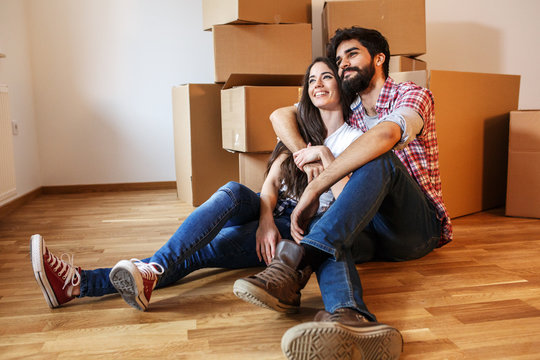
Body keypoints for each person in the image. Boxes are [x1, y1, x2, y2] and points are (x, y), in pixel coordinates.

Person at [30, 57, 364, 314]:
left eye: (326, 77)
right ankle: (146, 270)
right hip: (272, 212)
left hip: (302, 225)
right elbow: (273, 180)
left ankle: (79, 284)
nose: (317, 84)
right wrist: (264, 221)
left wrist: (325, 157)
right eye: (311, 80)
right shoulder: (299, 128)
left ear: (342, 86)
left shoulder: (355, 138)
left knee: (198, 251)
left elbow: (348, 201)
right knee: (232, 190)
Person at [233, 27, 452, 360]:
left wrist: (316, 185)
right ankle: (351, 318)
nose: (344, 64)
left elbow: (386, 135)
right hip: (369, 223)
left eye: (352, 54)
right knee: (330, 229)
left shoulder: (412, 94)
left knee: (379, 156)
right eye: (339, 60)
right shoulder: (349, 107)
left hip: (414, 226)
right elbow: (281, 115)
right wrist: (306, 162)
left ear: (378, 58)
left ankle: (296, 264)